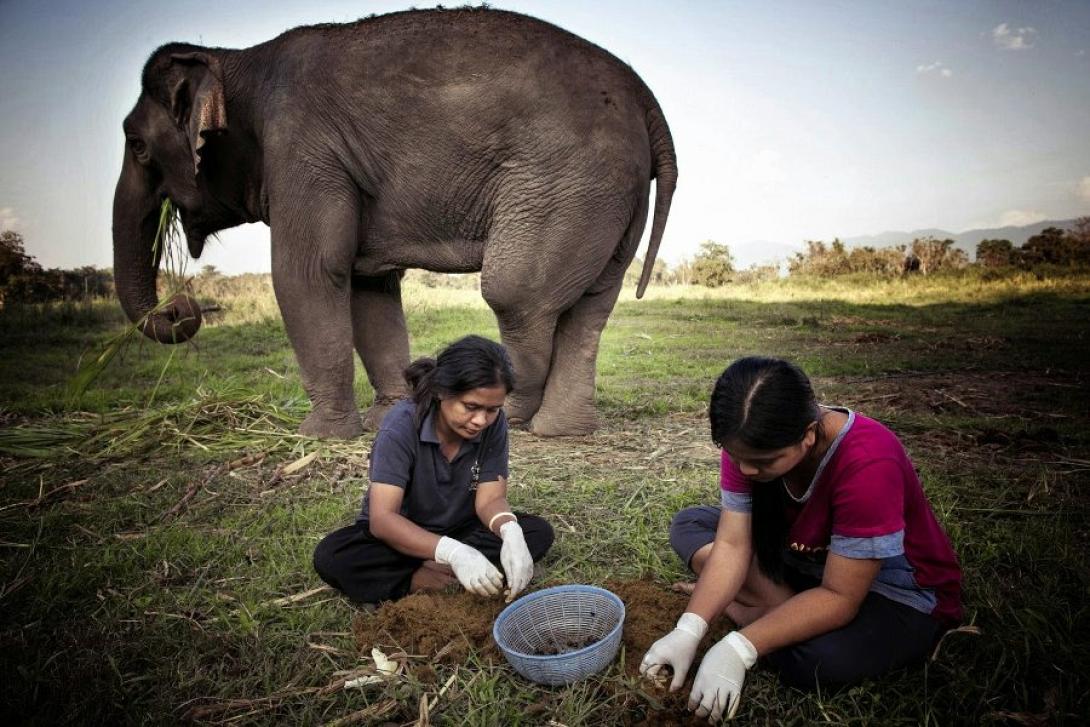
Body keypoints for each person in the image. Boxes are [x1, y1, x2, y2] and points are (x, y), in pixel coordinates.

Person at [640, 356, 961, 722]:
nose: (746, 469)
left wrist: (740, 648)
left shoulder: (869, 462)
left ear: (808, 435)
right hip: (806, 555)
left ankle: (755, 609)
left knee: (818, 659)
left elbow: (841, 596)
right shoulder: (749, 444)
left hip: (889, 592)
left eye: (764, 462)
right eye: (736, 456)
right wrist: (690, 627)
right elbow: (732, 545)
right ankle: (786, 611)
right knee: (691, 524)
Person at [313, 335, 554, 604]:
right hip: (402, 536)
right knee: (333, 556)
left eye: (493, 409)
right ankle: (417, 577)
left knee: (536, 531)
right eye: (471, 407)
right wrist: (453, 553)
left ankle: (456, 569)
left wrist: (510, 531)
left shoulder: (493, 426)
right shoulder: (401, 426)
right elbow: (383, 519)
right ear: (442, 392)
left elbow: (490, 500)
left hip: (462, 528)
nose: (480, 420)